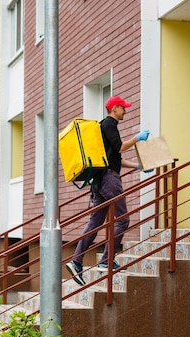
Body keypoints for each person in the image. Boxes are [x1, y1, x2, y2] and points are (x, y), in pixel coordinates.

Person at [65, 95, 150, 286]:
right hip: (110, 180)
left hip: (100, 179)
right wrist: (137, 138)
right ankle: (106, 261)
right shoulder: (110, 124)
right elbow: (120, 148)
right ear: (114, 108)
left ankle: (77, 262)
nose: (125, 111)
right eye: (123, 108)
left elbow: (115, 158)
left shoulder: (104, 127)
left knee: (95, 222)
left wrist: (137, 166)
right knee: (123, 219)